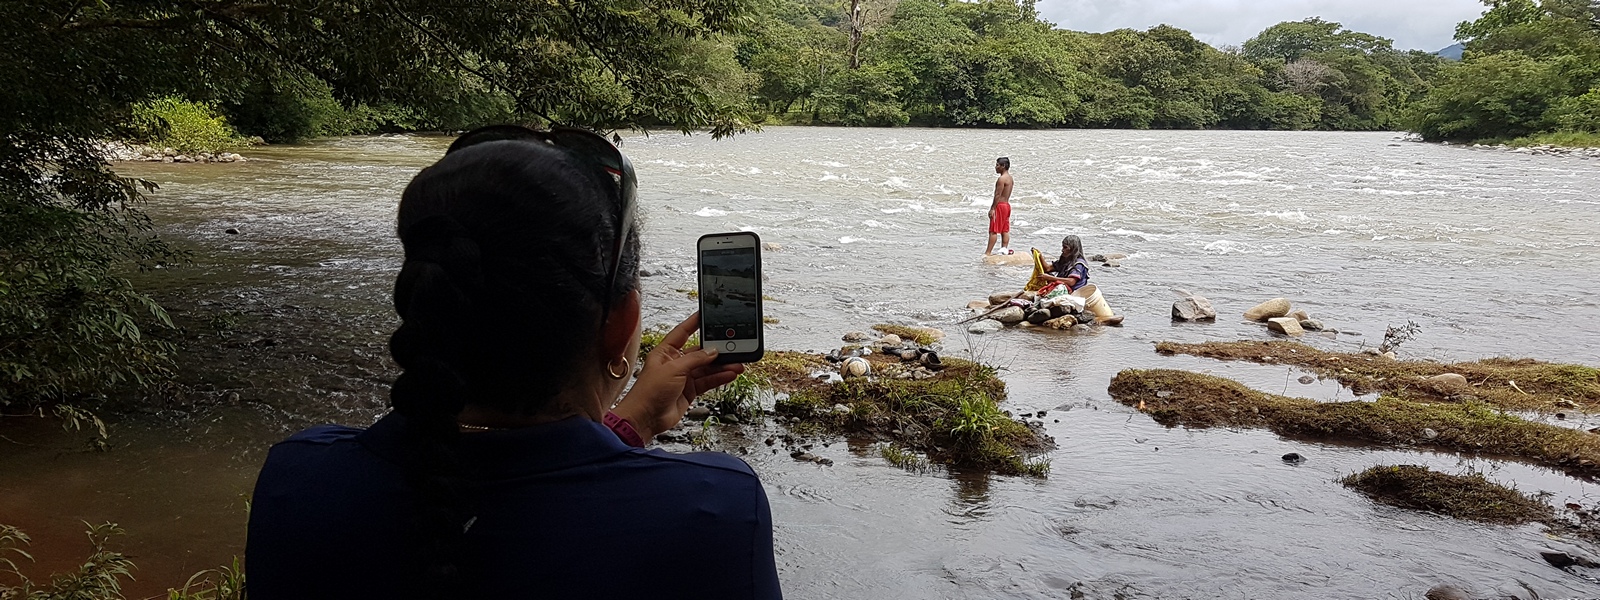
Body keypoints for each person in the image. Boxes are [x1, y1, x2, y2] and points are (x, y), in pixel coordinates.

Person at [245, 126, 783, 599]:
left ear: (423, 297)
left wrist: (635, 421)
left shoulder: (298, 479)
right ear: (622, 322)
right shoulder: (714, 511)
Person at [1037, 235, 1123, 326]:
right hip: (1065, 289)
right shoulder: (1066, 260)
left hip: (1074, 293)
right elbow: (1047, 269)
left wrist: (1050, 278)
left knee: (1050, 281)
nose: (1062, 250)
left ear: (1073, 249)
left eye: (1065, 248)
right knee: (1049, 279)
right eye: (1062, 247)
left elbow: (1071, 282)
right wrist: (1039, 256)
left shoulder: (1079, 264)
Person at [985, 157, 1013, 256]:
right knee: (1004, 229)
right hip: (1007, 205)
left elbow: (997, 195)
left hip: (1000, 206)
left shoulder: (1001, 179)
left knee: (993, 230)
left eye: (997, 165)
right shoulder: (1010, 178)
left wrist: (992, 208)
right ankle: (1004, 249)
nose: (995, 167)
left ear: (1003, 166)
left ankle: (988, 252)